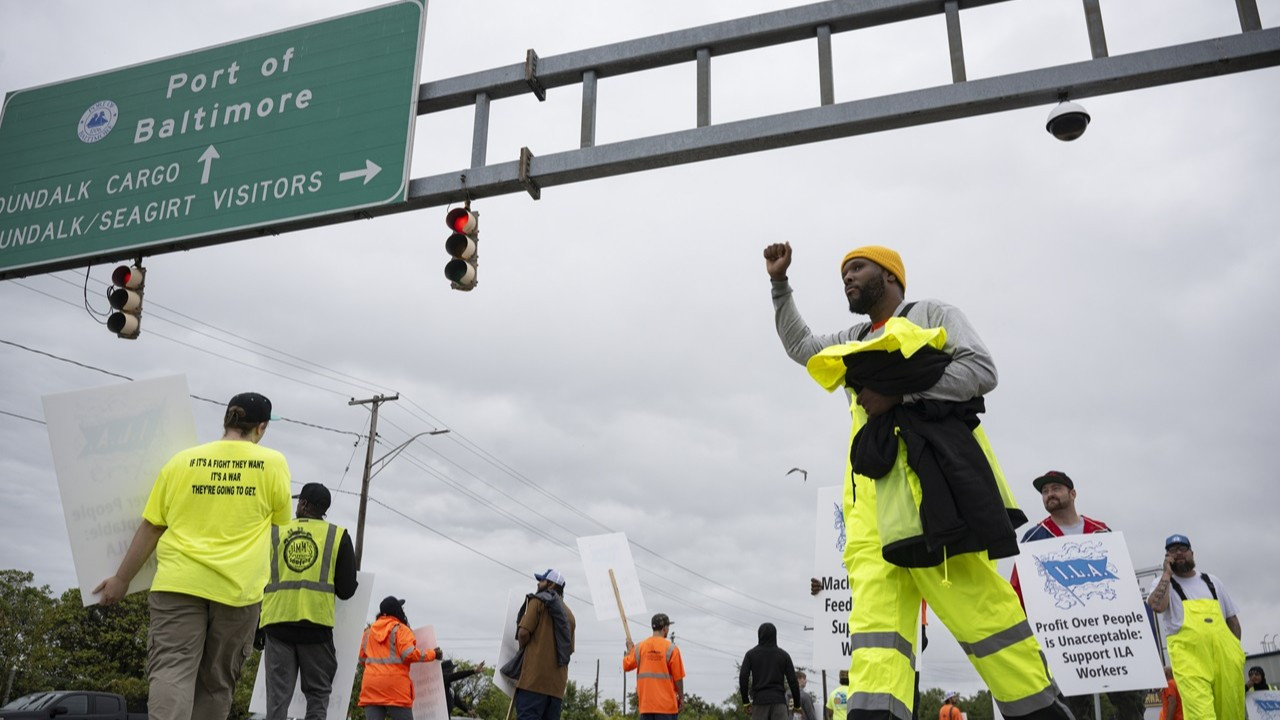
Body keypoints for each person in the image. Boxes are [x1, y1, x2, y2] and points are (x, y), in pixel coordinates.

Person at [763, 242, 1070, 720]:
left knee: (984, 614)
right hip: (868, 513)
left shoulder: (931, 313)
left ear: (889, 275)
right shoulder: (855, 336)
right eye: (843, 271)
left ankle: (1039, 711)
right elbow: (802, 348)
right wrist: (779, 285)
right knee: (875, 640)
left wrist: (899, 392)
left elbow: (981, 371)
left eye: (856, 268)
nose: (846, 277)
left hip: (934, 501)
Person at [93, 392, 292, 720]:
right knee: (216, 683)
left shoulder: (181, 461)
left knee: (171, 671)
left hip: (178, 585)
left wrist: (121, 579)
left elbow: (152, 526)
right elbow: (280, 523)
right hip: (237, 592)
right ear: (262, 428)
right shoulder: (273, 464)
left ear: (226, 420)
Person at [1013, 471, 1144, 720]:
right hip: (1064, 641)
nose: (1049, 494)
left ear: (1072, 494)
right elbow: (1018, 590)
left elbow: (1123, 584)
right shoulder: (1033, 537)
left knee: (1131, 703)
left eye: (1055, 488)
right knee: (1072, 711)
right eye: (1044, 491)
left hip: (1109, 636)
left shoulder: (1101, 533)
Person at [260, 482, 358, 720]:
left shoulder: (274, 532)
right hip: (316, 630)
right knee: (317, 696)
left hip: (277, 626)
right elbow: (346, 590)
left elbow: (257, 579)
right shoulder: (338, 536)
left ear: (303, 504)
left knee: (277, 700)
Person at [1146, 534, 1245, 720]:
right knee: (1202, 715)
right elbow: (1157, 605)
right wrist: (1167, 573)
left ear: (1192, 553)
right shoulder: (1164, 584)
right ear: (1167, 556)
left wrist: (1235, 653)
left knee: (1231, 713)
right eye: (1173, 551)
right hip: (1191, 664)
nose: (1179, 553)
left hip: (1225, 660)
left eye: (1183, 549)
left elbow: (1233, 621)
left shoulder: (1212, 581)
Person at [358, 596, 442, 720]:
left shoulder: (368, 633)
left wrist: (377, 671)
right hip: (395, 689)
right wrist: (433, 654)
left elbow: (362, 659)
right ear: (397, 610)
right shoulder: (401, 630)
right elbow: (409, 654)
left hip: (371, 688)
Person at [508, 569, 576, 720]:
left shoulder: (538, 601)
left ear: (551, 585)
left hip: (533, 682)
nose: (538, 584)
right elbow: (568, 650)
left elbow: (523, 633)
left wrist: (522, 649)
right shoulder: (569, 616)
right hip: (556, 689)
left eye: (541, 580)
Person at [623, 613, 685, 720]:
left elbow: (627, 665)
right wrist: (682, 699)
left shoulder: (639, 648)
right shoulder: (672, 649)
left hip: (646, 707)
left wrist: (629, 651)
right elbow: (678, 679)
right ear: (665, 628)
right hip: (667, 707)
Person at [739, 622, 802, 720]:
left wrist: (746, 701)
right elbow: (793, 681)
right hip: (779, 703)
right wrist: (797, 705)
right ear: (775, 635)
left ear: (759, 635)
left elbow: (743, 677)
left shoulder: (751, 655)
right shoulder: (784, 655)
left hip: (759, 703)